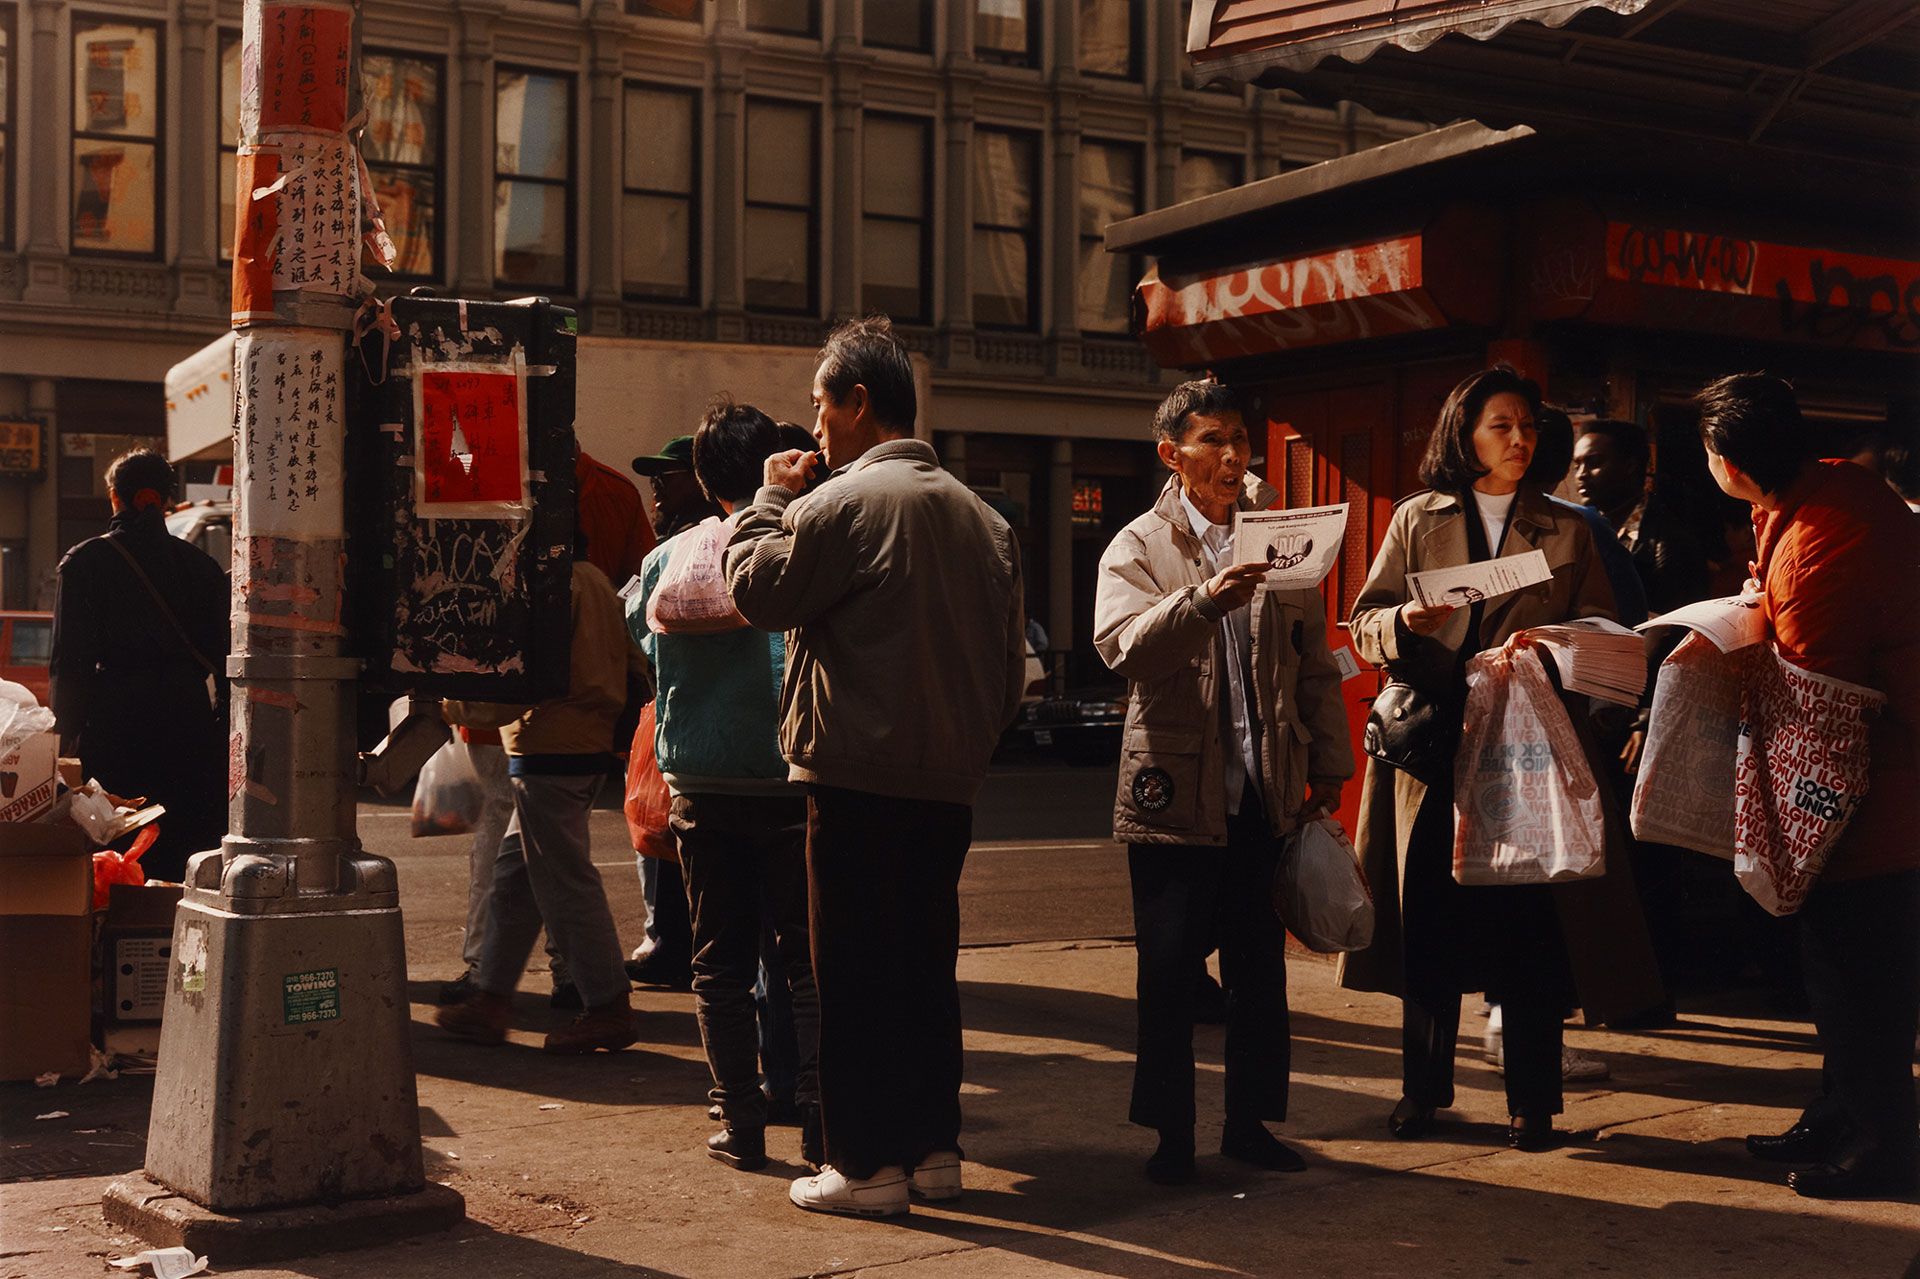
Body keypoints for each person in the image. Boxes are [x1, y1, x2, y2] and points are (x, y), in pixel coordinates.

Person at [725, 314, 1025, 1218]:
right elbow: (1012, 674)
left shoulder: (840, 504)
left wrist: (767, 501)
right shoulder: (988, 520)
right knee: (925, 967)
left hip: (854, 774)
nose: (814, 426)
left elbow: (758, 589)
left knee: (851, 970)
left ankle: (864, 1168)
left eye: (821, 405)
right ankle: (935, 1149)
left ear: (859, 403)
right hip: (946, 782)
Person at [1338, 366, 1632, 1153]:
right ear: (1463, 433)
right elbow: (1364, 624)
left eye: (1528, 425)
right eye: (1501, 424)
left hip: (1526, 739)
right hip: (1433, 737)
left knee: (1527, 925)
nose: (1519, 438)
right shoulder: (1417, 518)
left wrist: (1557, 647)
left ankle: (1531, 1103)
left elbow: (1607, 631)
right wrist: (1407, 617)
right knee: (1427, 918)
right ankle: (1423, 1093)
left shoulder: (1567, 527)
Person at [1092, 380, 1353, 1185]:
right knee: (1169, 975)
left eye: (1241, 439)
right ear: (1172, 453)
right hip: (1173, 791)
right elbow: (1122, 644)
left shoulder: (1278, 536)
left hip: (1262, 787)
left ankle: (1249, 1124)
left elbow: (1312, 664)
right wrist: (1203, 600)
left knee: (1257, 971)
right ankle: (1172, 1136)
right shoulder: (1138, 544)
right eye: (1214, 440)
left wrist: (1327, 767)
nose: (1233, 456)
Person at [1696, 373, 1919, 1201]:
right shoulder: (1824, 495)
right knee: (1835, 968)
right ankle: (1836, 1109)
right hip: (1880, 776)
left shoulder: (1826, 535)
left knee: (1863, 975)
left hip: (1876, 793)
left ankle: (1883, 1142)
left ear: (1729, 462)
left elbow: (1820, 693)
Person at [630, 397, 821, 1174]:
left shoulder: (666, 561)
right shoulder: (796, 543)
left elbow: (642, 647)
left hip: (700, 789)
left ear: (707, 479)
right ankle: (819, 1122)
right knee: (805, 962)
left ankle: (740, 1124)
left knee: (719, 965)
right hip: (789, 781)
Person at [435, 531, 642, 1054]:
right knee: (514, 875)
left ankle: (608, 1004)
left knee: (564, 882)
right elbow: (633, 663)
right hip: (574, 742)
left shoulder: (550, 586)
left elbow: (524, 681)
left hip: (553, 746)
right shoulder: (594, 580)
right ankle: (492, 999)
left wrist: (453, 704)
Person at [51, 449, 228, 883]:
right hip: (189, 725)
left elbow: (69, 665)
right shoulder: (201, 567)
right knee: (186, 848)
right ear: (162, 500)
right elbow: (227, 658)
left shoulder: (85, 563)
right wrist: (220, 725)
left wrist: (62, 747)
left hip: (116, 725)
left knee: (121, 847)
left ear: (116, 498)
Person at [625, 435, 717, 991]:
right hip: (676, 716)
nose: (656, 486)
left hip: (688, 722)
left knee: (671, 836)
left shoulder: (680, 552)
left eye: (669, 475)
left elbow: (647, 637)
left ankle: (674, 944)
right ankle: (672, 939)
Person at [1572, 419, 1708, 616]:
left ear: (1629, 466)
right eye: (1577, 465)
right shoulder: (1582, 529)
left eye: (1594, 463)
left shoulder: (1670, 541)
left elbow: (1676, 627)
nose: (1581, 474)